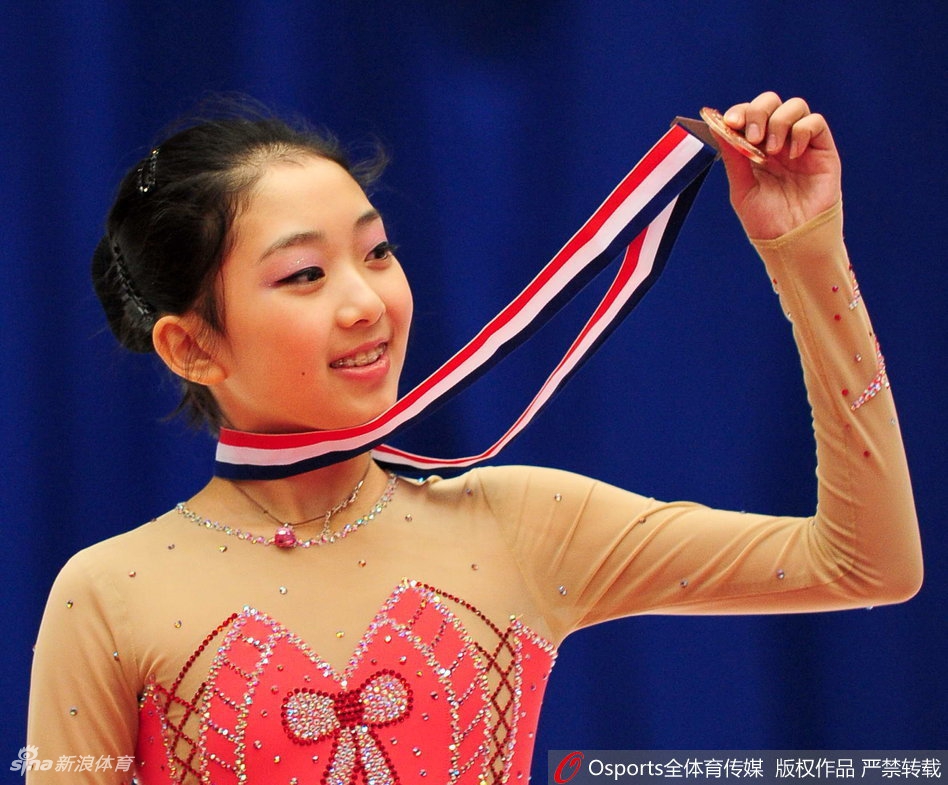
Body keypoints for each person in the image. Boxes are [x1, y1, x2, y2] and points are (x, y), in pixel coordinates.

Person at [27, 93, 922, 784]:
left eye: (376, 252)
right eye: (304, 274)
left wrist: (807, 251)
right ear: (192, 344)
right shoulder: (107, 595)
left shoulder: (521, 523)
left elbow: (865, 564)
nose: (367, 301)